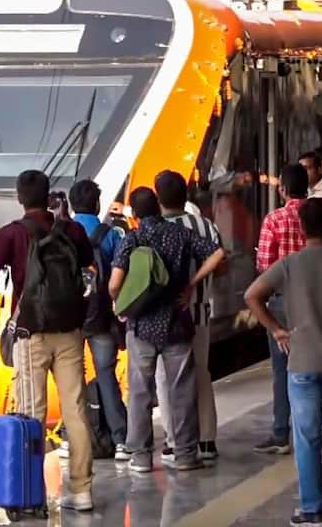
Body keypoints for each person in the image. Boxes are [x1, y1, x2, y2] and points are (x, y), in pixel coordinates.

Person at [0, 169, 96, 511]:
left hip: (31, 335)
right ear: (50, 196)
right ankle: (83, 490)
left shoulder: (11, 234)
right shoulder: (72, 230)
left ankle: (31, 494)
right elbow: (90, 272)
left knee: (32, 415)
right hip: (70, 333)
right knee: (76, 411)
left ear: (19, 198)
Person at [108, 187, 226, 473]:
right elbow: (218, 253)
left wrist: (121, 302)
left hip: (142, 326)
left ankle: (141, 457)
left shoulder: (132, 239)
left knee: (140, 393)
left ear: (135, 214)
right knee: (182, 390)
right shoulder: (181, 234)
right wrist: (192, 284)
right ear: (158, 207)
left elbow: (114, 285)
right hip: (177, 322)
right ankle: (186, 454)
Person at [245, 198, 322, 527]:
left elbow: (252, 295)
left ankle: (312, 511)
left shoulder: (290, 265)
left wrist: (277, 330)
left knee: (307, 439)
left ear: (301, 227)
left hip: (302, 364)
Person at [153, 170, 223, 465]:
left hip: (169, 318)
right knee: (202, 373)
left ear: (159, 199)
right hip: (201, 313)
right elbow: (222, 259)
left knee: (167, 378)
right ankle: (207, 441)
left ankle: (174, 442)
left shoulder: (158, 230)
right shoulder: (205, 225)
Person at [59, 179, 129, 463]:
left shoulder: (62, 233)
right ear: (98, 204)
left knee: (71, 379)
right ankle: (121, 440)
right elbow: (120, 273)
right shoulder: (110, 234)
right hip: (101, 318)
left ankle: (69, 438)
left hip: (70, 319)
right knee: (107, 376)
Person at [253, 164, 309, 454]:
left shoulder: (274, 219)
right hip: (313, 301)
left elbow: (264, 264)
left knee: (282, 368)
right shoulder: (316, 215)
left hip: (281, 301)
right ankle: (310, 430)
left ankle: (280, 433)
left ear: (283, 189)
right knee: (317, 365)